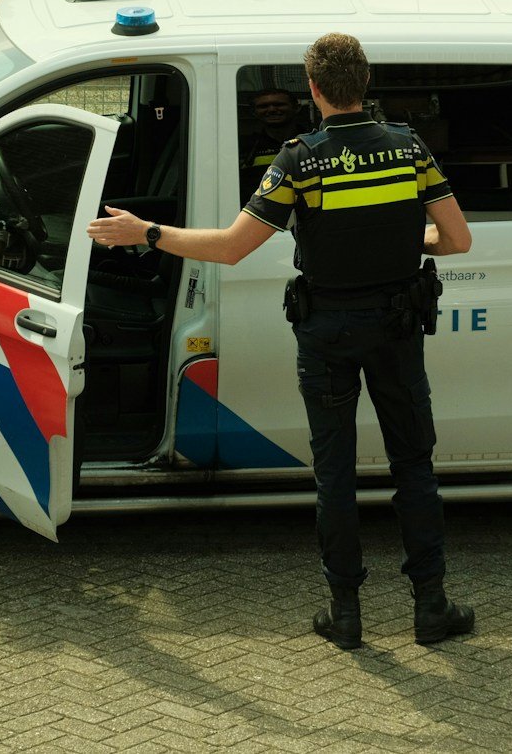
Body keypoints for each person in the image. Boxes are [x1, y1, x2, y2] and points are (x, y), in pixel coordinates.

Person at [86, 32, 475, 649]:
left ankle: (345, 616)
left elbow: (232, 248)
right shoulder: (410, 149)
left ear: (314, 91)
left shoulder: (299, 160)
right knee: (414, 466)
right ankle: (431, 608)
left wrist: (146, 230)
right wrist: (403, 246)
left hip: (326, 333)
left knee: (334, 473)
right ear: (365, 83)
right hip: (397, 328)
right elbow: (456, 241)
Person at [240, 87, 311, 200]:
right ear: (254, 112)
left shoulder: (313, 142)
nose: (272, 109)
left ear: (297, 108)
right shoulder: (244, 148)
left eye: (279, 104)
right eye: (263, 106)